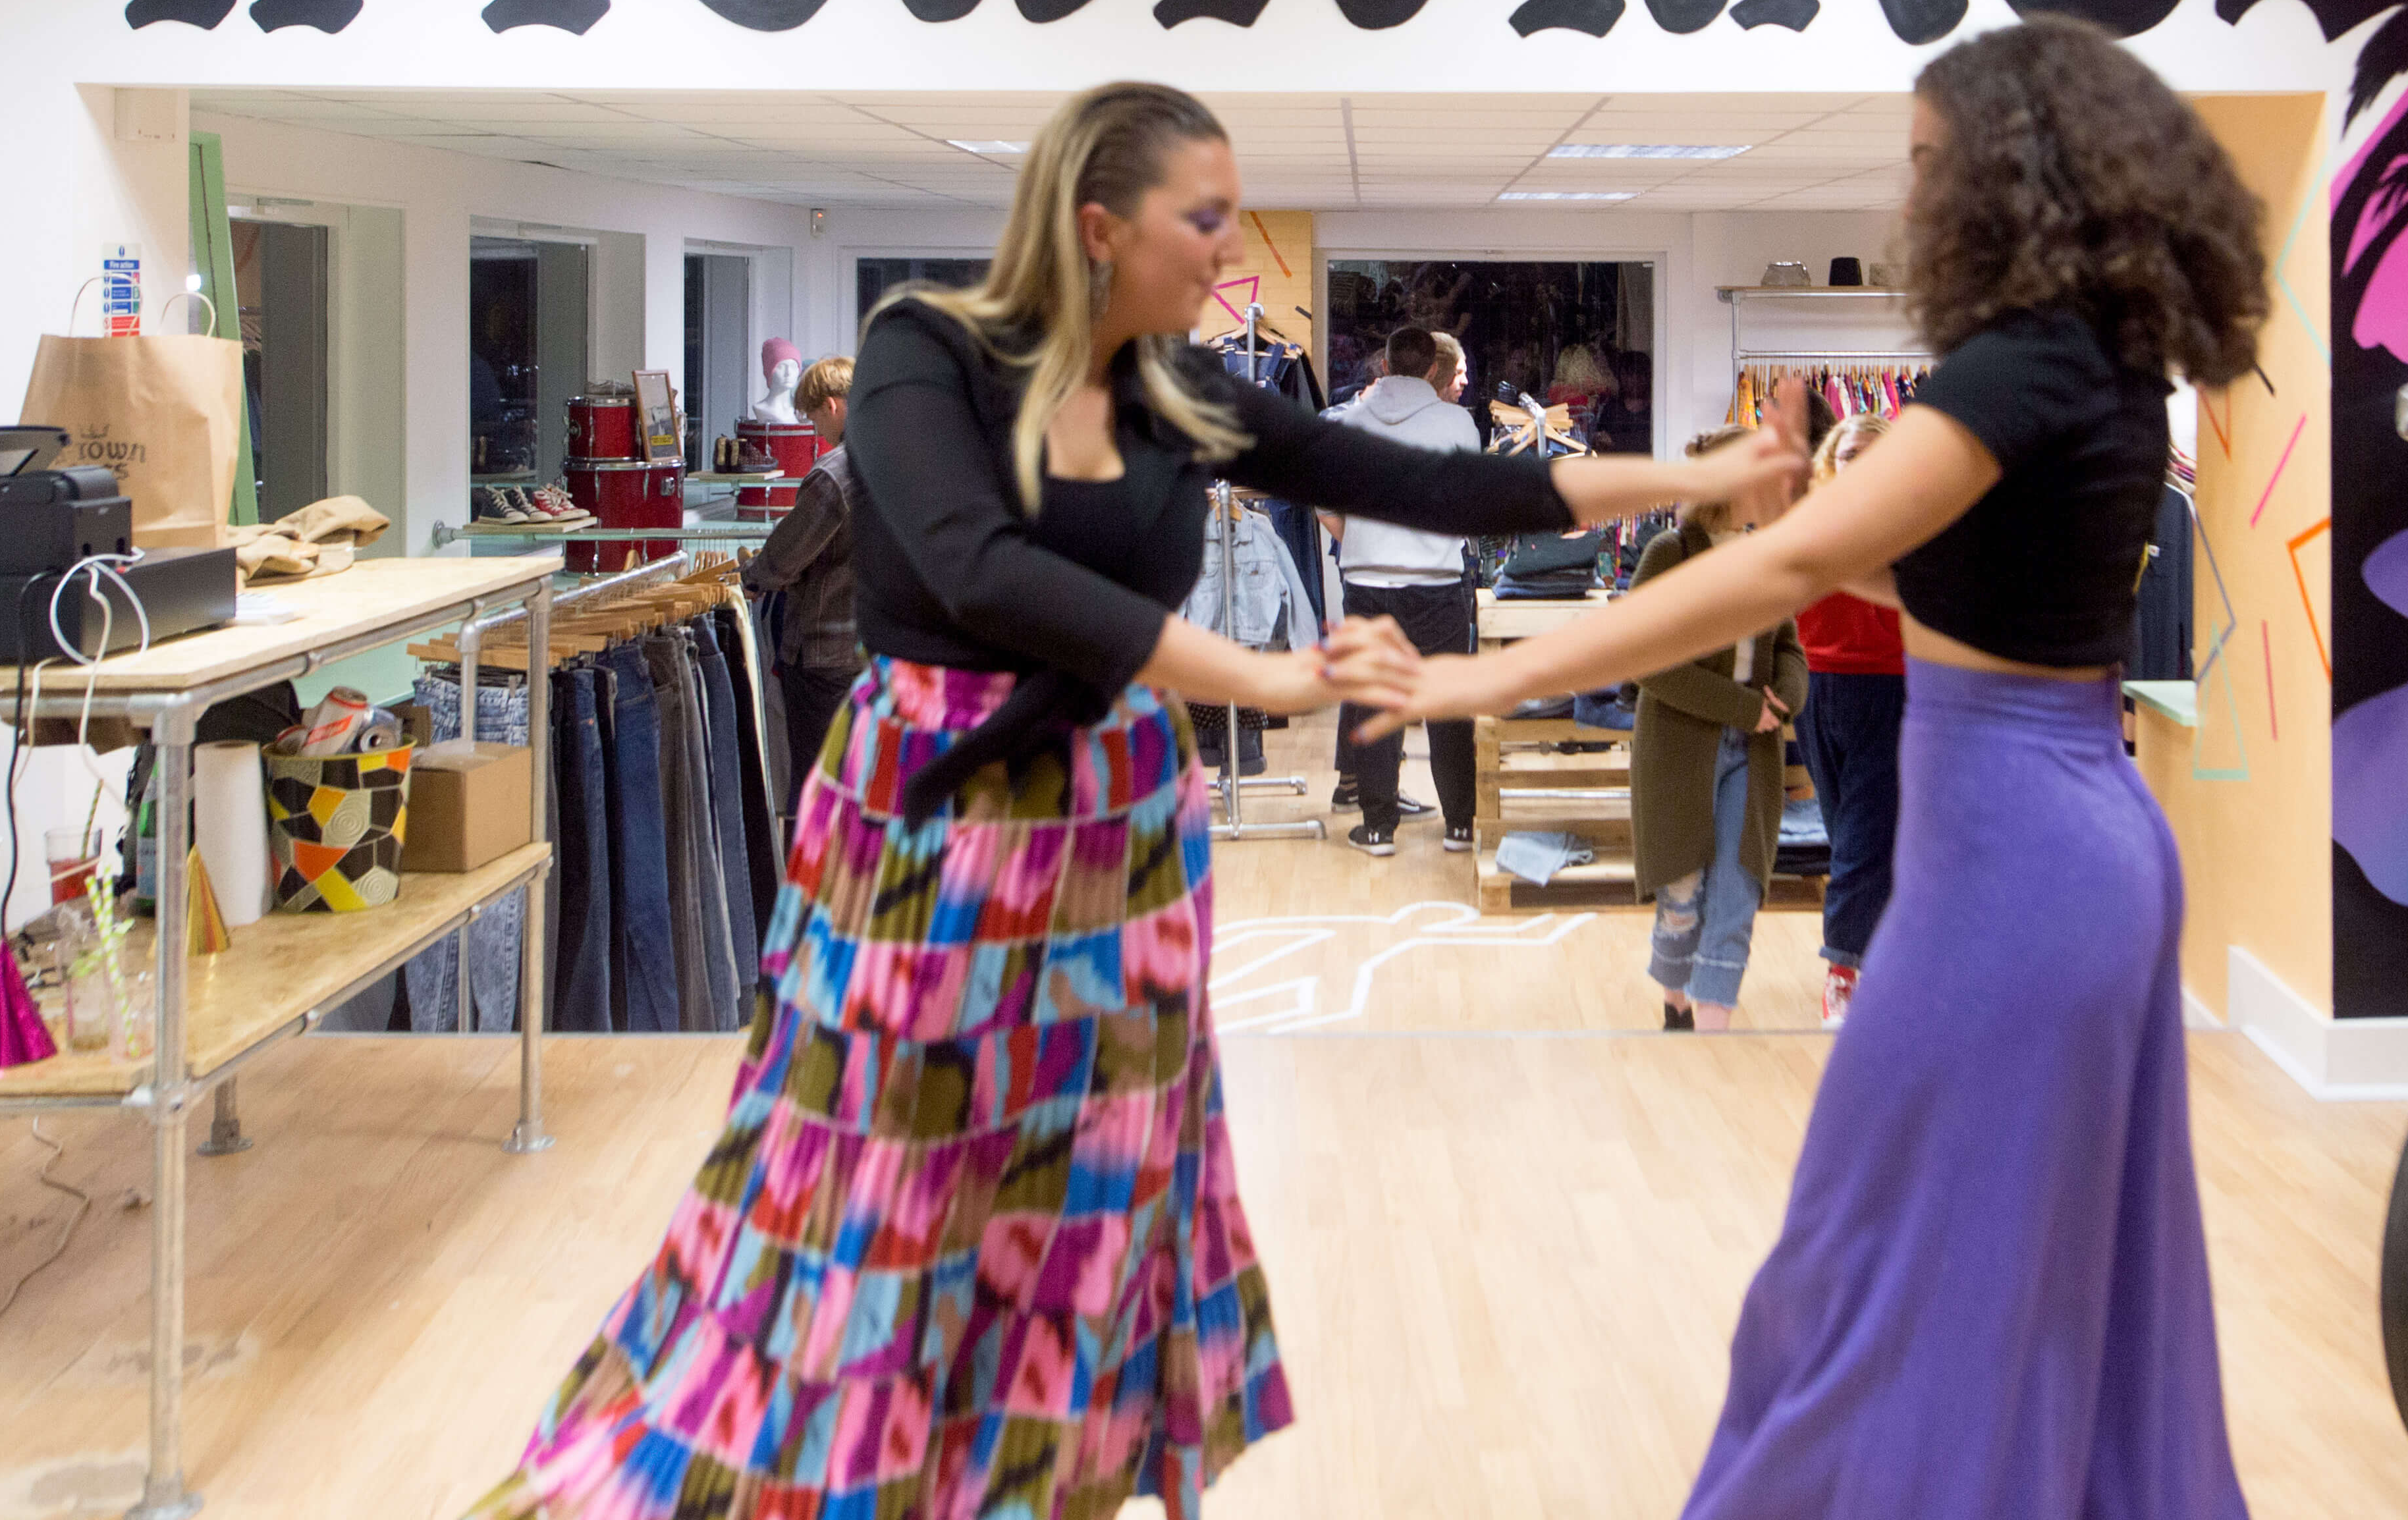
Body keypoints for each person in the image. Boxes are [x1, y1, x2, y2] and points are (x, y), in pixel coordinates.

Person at [471, 80, 1799, 1520]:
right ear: (1100, 226)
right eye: (1204, 217)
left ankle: (1047, 1480)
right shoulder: (928, 348)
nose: (1230, 249)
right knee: (880, 1170)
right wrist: (1261, 673)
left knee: (1095, 1169)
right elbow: (981, 568)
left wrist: (1696, 473)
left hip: (1119, 817)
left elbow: (1431, 483)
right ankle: (845, 1476)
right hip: (936, 812)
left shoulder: (1181, 389)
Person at [1369, 17, 2268, 1519]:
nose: (1908, 199)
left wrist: (1492, 672)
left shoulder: (2016, 367)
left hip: (2021, 864)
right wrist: (1821, 509)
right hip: (2044, 838)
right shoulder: (2096, 361)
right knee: (1963, 1269)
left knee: (1885, 1275)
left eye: (1925, 164)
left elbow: (1781, 574)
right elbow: (1955, 595)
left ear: (2011, 175)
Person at [1629, 431, 1809, 1031]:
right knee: (1682, 893)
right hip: (1679, 747)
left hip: (1752, 750)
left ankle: (1714, 1030)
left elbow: (1789, 646)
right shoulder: (1670, 553)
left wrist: (1786, 697)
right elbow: (1644, 659)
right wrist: (1742, 707)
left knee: (1739, 887)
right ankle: (1677, 1005)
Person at [1327, 323, 1483, 854]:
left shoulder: (1350, 422)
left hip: (1367, 582)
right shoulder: (1457, 422)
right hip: (1436, 581)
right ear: (1434, 369)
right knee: (1447, 704)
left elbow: (1323, 502)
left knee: (1375, 701)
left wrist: (1361, 542)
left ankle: (1377, 829)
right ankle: (1460, 824)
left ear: (1385, 366)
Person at [1792, 408, 1905, 1027]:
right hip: (1817, 687)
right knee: (1845, 831)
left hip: (1889, 686)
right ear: (1830, 462)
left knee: (1863, 835)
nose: (1857, 464)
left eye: (1870, 454)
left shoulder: (1910, 521)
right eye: (1847, 454)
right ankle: (1881, 957)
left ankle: (1843, 971)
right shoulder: (1810, 518)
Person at [736, 354, 859, 786]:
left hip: (825, 652)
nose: (815, 430)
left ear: (832, 405)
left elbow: (784, 559)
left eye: (813, 417)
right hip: (876, 649)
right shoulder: (898, 462)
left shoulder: (836, 474)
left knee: (819, 788)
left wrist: (750, 576)